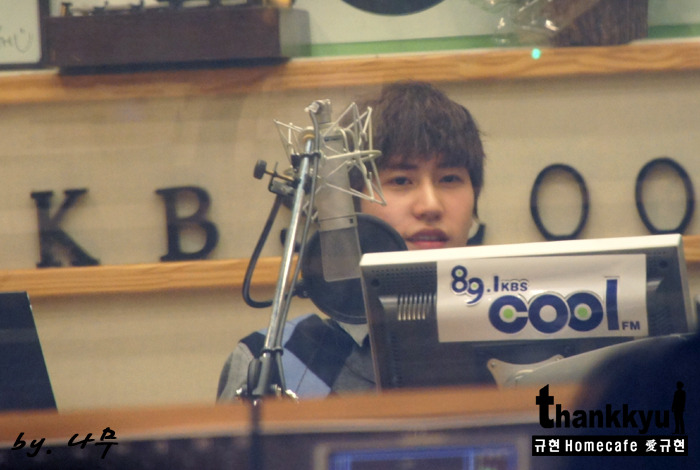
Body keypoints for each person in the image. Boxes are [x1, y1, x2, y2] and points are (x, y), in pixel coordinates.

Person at [217, 81, 486, 401]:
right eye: (401, 181)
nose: (430, 206)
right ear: (348, 206)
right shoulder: (274, 364)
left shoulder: (519, 349)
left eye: (450, 179)